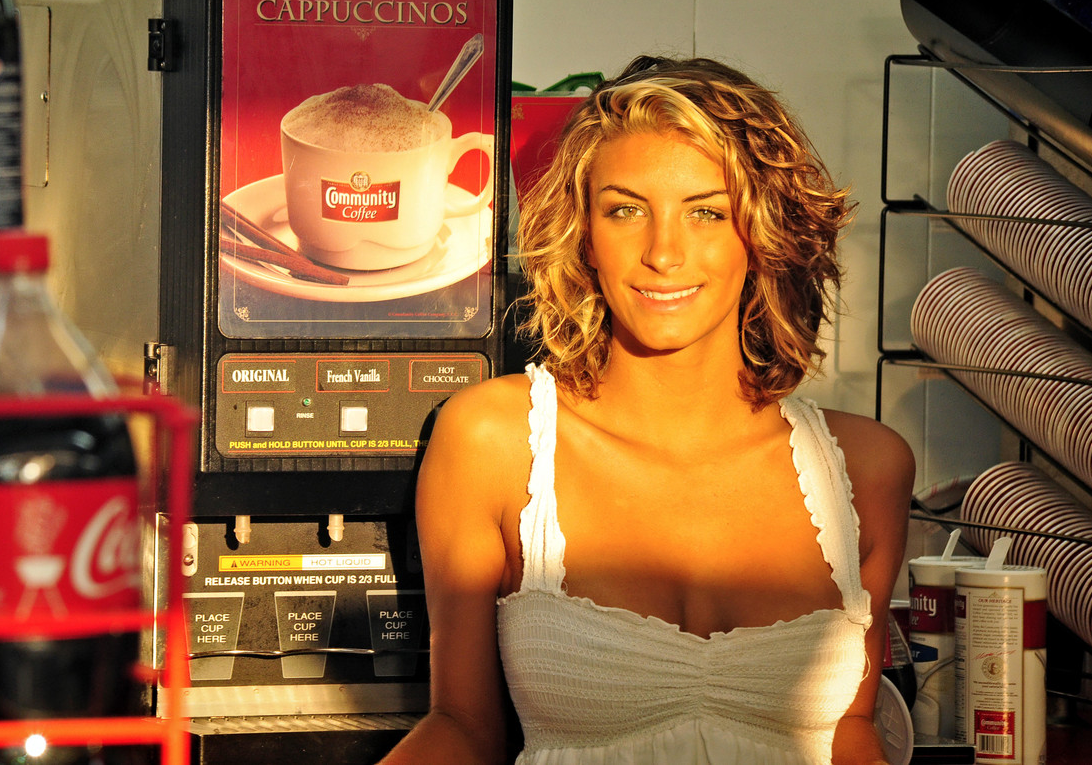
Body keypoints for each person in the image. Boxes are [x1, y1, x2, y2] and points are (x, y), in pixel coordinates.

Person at [380, 55, 915, 765]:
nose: (664, 253)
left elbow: (851, 734)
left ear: (763, 234)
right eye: (626, 210)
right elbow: (462, 729)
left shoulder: (867, 469)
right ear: (584, 235)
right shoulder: (494, 440)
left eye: (707, 212)